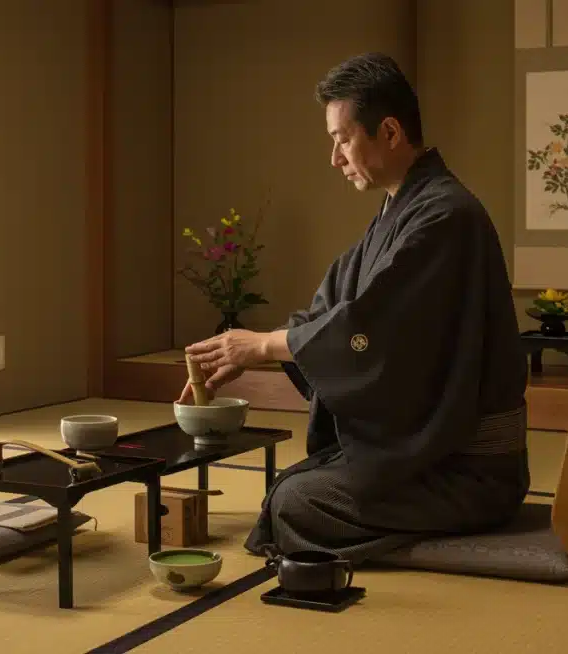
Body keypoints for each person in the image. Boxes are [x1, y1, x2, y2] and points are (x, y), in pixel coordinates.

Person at [179, 52, 530, 565]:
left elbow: (366, 330)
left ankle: (450, 543)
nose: (335, 158)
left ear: (389, 132)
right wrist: (247, 352)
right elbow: (334, 307)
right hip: (432, 452)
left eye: (342, 139)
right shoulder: (405, 209)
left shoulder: (445, 216)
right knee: (295, 488)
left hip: (469, 470)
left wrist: (263, 346)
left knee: (296, 503)